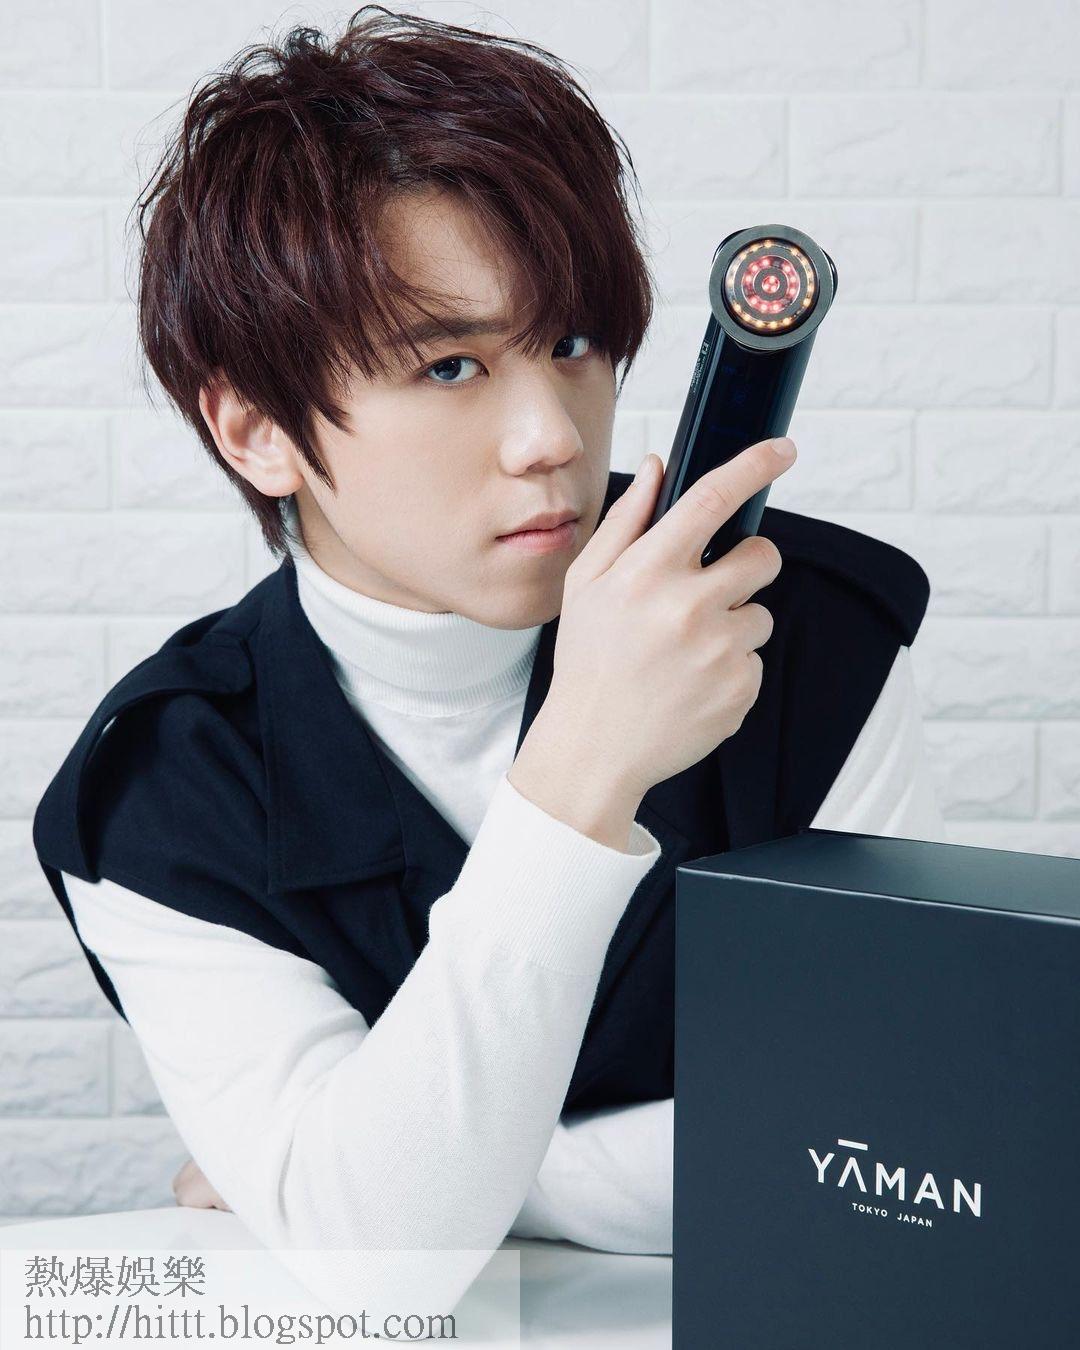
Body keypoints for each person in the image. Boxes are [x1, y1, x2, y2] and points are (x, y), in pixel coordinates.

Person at [31, 5, 945, 1319]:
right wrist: (581, 769)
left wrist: (377, 1182)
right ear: (257, 429)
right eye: (451, 365)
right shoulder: (157, 795)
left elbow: (900, 1146)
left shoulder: (809, 635)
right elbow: (387, 1282)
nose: (549, 438)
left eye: (571, 345)